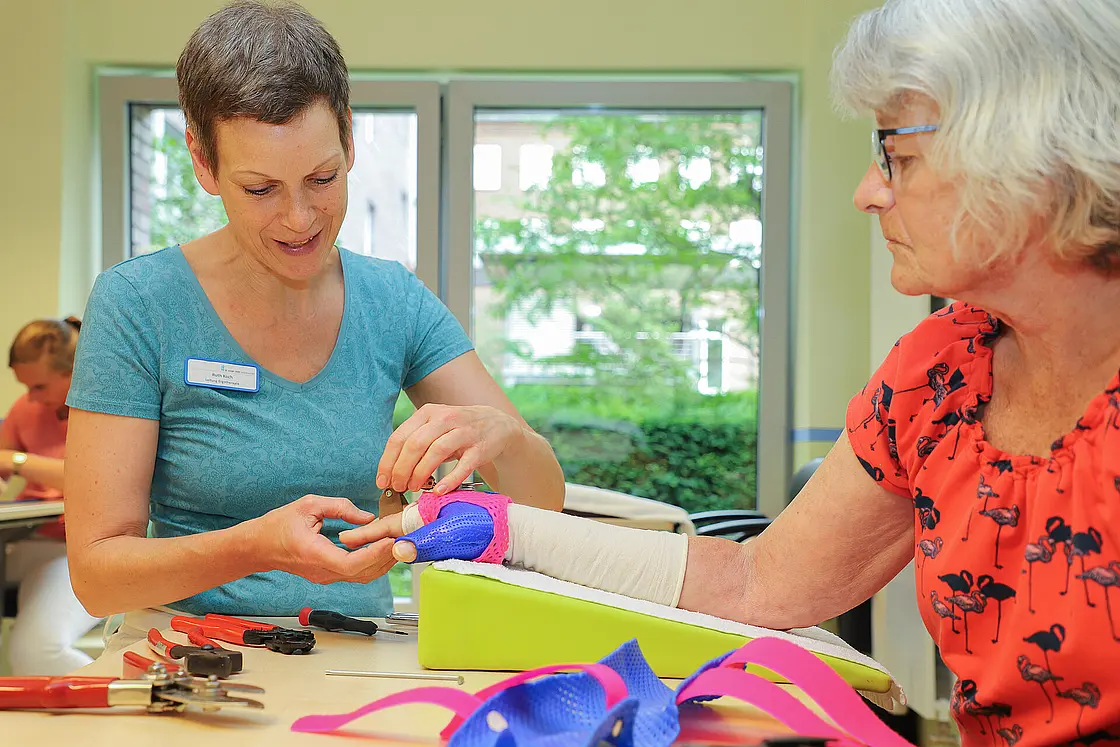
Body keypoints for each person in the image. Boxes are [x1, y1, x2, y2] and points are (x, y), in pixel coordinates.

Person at [343, 1, 1120, 745]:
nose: (868, 191)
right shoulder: (938, 375)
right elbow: (759, 581)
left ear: (1028, 158)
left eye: (899, 156)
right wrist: (507, 531)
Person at [63, 0, 564, 620]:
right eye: (261, 189)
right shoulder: (138, 304)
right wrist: (254, 547)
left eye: (322, 179)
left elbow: (545, 503)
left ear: (349, 140)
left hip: (357, 651)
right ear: (202, 161)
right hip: (191, 665)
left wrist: (502, 435)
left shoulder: (393, 300)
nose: (299, 220)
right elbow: (96, 576)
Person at [1, 318, 102, 675]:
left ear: (76, 370)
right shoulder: (25, 410)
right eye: (25, 386)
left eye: (39, 386)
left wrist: (17, 461)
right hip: (26, 542)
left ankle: (132, 703)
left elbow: (89, 479)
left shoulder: (108, 407)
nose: (30, 398)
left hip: (78, 550)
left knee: (36, 651)